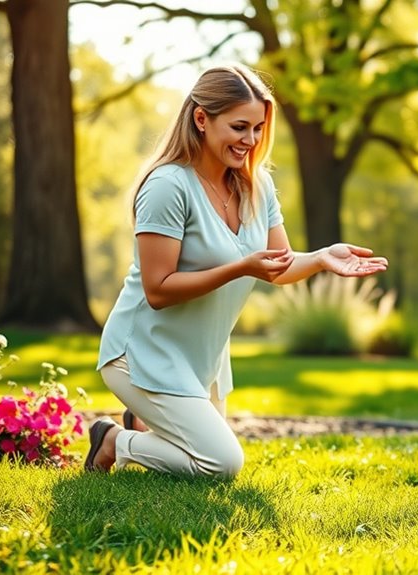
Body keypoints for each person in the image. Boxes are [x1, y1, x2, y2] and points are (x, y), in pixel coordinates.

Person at [85, 65, 388, 477]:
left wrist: (319, 258)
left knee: (205, 454)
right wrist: (239, 267)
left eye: (259, 128)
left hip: (201, 357)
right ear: (201, 119)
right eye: (240, 126)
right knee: (221, 463)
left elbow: (276, 268)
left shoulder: (255, 185)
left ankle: (141, 422)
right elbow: (158, 289)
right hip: (142, 354)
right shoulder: (168, 186)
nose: (251, 140)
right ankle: (113, 440)